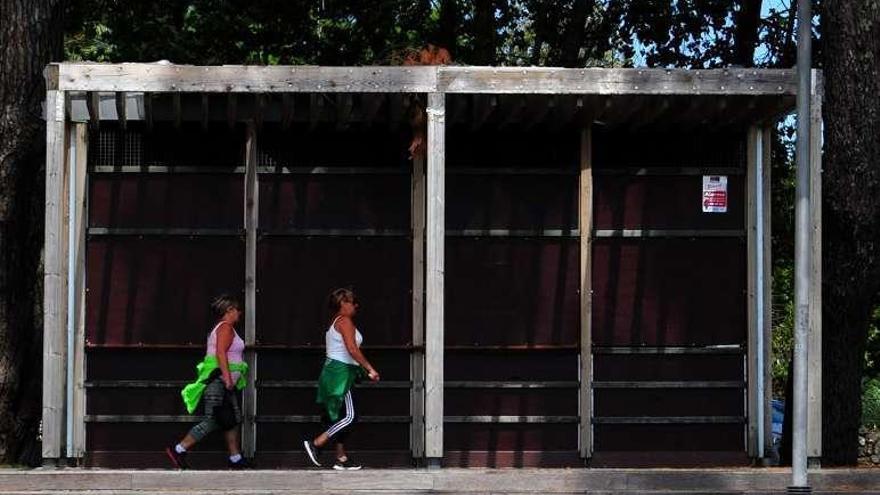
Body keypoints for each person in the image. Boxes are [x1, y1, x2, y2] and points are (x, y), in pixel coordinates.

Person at [166, 294, 250, 469]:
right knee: (213, 420)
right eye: (237, 310)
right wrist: (227, 378)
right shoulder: (225, 327)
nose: (239, 313)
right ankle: (179, 449)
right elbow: (221, 353)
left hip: (224, 383)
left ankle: (235, 458)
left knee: (232, 418)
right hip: (219, 381)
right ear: (229, 310)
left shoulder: (225, 328)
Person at [303, 288, 380, 470]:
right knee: (350, 416)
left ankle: (341, 457)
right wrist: (370, 369)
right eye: (353, 303)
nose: (356, 306)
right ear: (344, 303)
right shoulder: (345, 321)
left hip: (335, 372)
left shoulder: (336, 322)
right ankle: (316, 443)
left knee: (339, 416)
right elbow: (352, 349)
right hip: (340, 374)